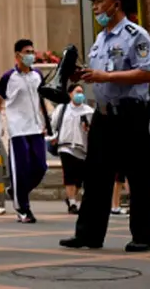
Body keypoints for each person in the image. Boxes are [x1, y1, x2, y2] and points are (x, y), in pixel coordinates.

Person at [60, 0, 150, 253]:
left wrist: (107, 77)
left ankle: (143, 236)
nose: (96, 8)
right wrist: (82, 75)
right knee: (96, 176)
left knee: (138, 177)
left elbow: (148, 73)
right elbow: (99, 74)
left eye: (100, 2)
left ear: (116, 4)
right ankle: (89, 235)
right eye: (94, 3)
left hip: (130, 114)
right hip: (103, 115)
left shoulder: (135, 35)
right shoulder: (100, 39)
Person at [0, 39, 47, 224]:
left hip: (36, 127)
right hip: (17, 128)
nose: (30, 55)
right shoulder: (9, 77)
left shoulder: (38, 75)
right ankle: (23, 209)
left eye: (32, 51)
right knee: (21, 168)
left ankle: (16, 191)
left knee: (41, 167)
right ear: (17, 55)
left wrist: (46, 121)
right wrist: (1, 125)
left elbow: (41, 100)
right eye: (27, 51)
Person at [50, 85, 94, 214]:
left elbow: (94, 129)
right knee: (69, 173)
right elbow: (54, 124)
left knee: (79, 178)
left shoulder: (88, 111)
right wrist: (53, 136)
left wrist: (88, 128)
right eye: (77, 92)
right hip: (66, 146)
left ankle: (71, 198)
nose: (80, 94)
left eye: (81, 92)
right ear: (70, 94)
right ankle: (73, 203)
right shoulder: (62, 109)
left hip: (82, 148)